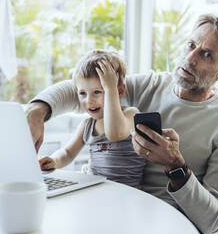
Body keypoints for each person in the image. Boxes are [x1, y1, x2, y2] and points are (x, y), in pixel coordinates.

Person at [25, 14, 218, 234]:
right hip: (107, 204)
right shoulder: (150, 85)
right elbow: (84, 90)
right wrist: (38, 109)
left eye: (207, 55)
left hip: (164, 223)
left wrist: (176, 166)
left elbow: (213, 221)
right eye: (190, 45)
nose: (190, 58)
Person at [38, 50, 146, 187]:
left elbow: (115, 133)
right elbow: (68, 152)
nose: (89, 101)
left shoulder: (131, 115)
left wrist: (110, 88)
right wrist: (54, 160)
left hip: (127, 191)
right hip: (96, 187)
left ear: (119, 91)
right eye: (82, 93)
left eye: (97, 92)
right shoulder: (87, 125)